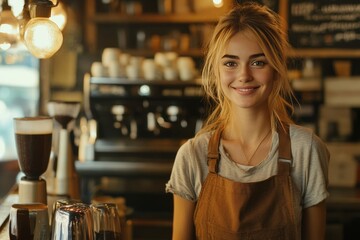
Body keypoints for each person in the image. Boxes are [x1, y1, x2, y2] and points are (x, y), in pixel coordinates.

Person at [165, 2, 330, 240]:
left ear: (276, 68)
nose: (244, 75)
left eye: (258, 62)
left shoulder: (306, 150)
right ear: (216, 71)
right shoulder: (192, 155)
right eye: (230, 63)